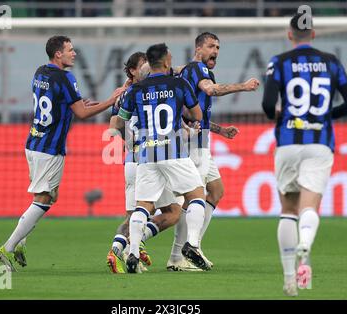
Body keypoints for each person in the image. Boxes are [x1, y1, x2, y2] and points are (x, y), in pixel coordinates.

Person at [0, 35, 125, 271]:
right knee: (44, 200)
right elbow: (82, 114)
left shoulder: (40, 72)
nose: (74, 54)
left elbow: (59, 103)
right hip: (50, 148)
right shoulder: (65, 77)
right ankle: (8, 247)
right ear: (58, 54)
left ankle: (21, 242)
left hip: (33, 141)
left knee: (46, 196)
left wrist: (76, 104)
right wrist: (110, 100)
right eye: (70, 50)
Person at [262, 13, 347, 296]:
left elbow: (269, 105)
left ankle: (290, 279)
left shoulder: (279, 62)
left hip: (288, 143)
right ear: (314, 35)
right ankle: (306, 241)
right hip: (319, 142)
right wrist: (327, 115)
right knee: (309, 208)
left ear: (290, 34)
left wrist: (280, 116)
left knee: (287, 211)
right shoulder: (331, 62)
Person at [167, 32, 260, 271]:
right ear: (198, 48)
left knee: (216, 192)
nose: (215, 51)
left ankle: (192, 246)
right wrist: (244, 86)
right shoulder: (198, 69)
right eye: (211, 46)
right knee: (192, 200)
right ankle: (180, 254)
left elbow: (195, 111)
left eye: (218, 47)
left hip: (202, 141)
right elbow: (211, 91)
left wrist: (220, 130)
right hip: (192, 145)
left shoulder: (191, 70)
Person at [115, 43, 209, 273]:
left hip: (146, 153)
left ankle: (134, 252)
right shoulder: (178, 83)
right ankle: (193, 245)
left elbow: (120, 120)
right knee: (197, 195)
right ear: (166, 61)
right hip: (174, 151)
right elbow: (197, 114)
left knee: (143, 206)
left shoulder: (136, 90)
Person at [106, 52, 184, 273]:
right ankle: (132, 245)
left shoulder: (125, 94)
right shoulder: (150, 93)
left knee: (133, 215)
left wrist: (129, 144)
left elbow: (114, 126)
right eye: (143, 67)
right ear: (133, 71)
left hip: (131, 162)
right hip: (149, 160)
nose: (147, 70)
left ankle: (116, 249)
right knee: (174, 212)